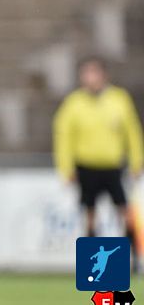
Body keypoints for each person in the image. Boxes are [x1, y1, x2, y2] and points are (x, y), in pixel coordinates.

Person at [53, 57, 142, 247]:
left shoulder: (119, 99)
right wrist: (66, 168)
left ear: (103, 75)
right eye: (86, 74)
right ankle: (91, 262)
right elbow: (63, 137)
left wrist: (136, 161)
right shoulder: (74, 103)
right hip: (86, 166)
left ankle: (132, 256)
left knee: (125, 211)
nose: (90, 78)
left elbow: (132, 132)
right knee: (89, 215)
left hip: (113, 166)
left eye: (93, 73)